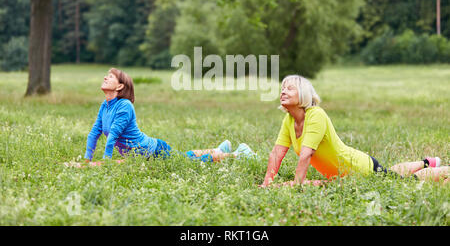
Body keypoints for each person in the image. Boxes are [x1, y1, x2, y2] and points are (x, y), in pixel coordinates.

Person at [260, 75, 449, 187]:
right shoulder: (289, 119)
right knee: (387, 173)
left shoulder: (315, 115)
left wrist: (297, 186)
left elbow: (306, 155)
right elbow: (277, 153)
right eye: (282, 88)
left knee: (403, 183)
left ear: (303, 94)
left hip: (359, 169)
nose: (283, 91)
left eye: (290, 88)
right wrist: (267, 182)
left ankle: (442, 169)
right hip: (342, 175)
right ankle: (426, 162)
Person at [67, 68, 257, 168]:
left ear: (119, 87)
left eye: (110, 76)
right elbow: (94, 133)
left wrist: (106, 162)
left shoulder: (125, 106)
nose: (105, 78)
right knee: (185, 157)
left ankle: (238, 154)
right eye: (105, 75)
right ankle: (218, 149)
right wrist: (87, 159)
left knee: (189, 162)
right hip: (143, 154)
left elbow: (113, 136)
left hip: (153, 151)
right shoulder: (105, 105)